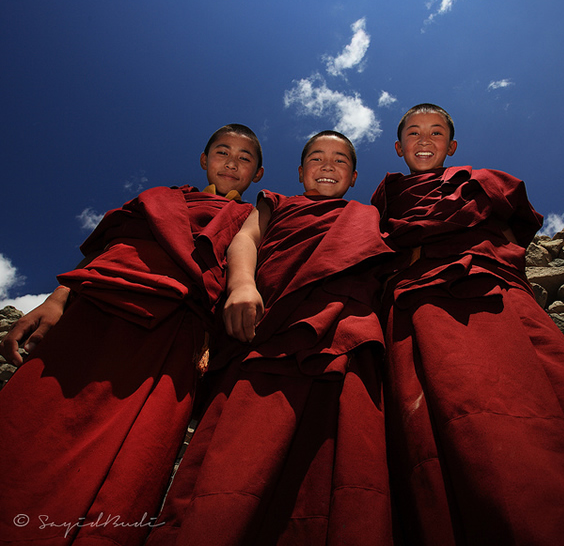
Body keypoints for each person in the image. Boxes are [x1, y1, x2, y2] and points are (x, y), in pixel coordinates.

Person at [0, 124, 264, 546]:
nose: (232, 163)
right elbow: (108, 250)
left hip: (176, 330)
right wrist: (56, 301)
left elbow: (241, 272)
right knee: (27, 426)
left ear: (259, 173)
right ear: (204, 159)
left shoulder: (252, 219)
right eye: (222, 152)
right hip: (95, 310)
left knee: (133, 458)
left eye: (245, 157)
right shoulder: (160, 199)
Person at [145, 131, 396, 546]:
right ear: (300, 173)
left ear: (354, 178)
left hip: (345, 335)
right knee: (237, 455)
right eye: (317, 158)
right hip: (268, 328)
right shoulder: (275, 203)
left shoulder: (367, 216)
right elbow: (246, 240)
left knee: (341, 455)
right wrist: (243, 284)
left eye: (340, 160)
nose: (328, 165)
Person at [372, 103, 564, 545]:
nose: (424, 141)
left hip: (493, 290)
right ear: (398, 147)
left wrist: (505, 278)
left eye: (435, 133)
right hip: (419, 299)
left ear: (452, 145)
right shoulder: (388, 197)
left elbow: (509, 238)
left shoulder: (479, 181)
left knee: (544, 396)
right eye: (414, 133)